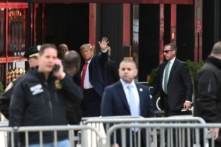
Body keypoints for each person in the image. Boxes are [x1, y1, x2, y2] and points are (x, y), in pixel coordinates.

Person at [9, 44, 83, 147]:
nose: (50, 61)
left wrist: (62, 76)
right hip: (35, 141)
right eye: (47, 57)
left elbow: (78, 96)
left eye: (53, 57)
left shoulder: (60, 80)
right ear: (39, 58)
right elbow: (15, 114)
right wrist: (13, 142)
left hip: (60, 139)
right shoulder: (25, 83)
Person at [101, 59, 154, 147]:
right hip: (120, 139)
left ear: (135, 72)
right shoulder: (110, 91)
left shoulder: (144, 90)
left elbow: (150, 115)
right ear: (118, 71)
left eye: (129, 69)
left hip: (142, 139)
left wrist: (151, 138)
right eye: (123, 69)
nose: (126, 71)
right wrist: (112, 141)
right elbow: (106, 117)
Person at [151, 43, 193, 116]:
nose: (164, 53)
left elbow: (188, 84)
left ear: (173, 52)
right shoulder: (162, 66)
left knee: (174, 125)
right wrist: (149, 96)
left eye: (166, 51)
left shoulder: (181, 66)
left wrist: (188, 100)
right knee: (167, 124)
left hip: (177, 102)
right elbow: (158, 84)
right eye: (163, 51)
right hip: (164, 102)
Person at [0, 45, 41, 119]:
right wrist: (19, 119)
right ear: (29, 62)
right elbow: (3, 102)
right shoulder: (22, 82)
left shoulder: (53, 80)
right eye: (37, 59)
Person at [194, 41, 221, 147]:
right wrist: (213, 124)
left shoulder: (213, 70)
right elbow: (206, 99)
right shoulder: (209, 71)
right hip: (212, 131)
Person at [80, 37, 109, 117]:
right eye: (83, 52)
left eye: (86, 51)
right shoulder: (82, 65)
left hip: (94, 93)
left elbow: (103, 59)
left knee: (90, 116)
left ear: (92, 51)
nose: (85, 53)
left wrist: (103, 50)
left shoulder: (96, 60)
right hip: (84, 94)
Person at [63, 51, 83, 125]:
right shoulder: (65, 81)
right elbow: (69, 108)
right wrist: (76, 126)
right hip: (66, 126)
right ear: (78, 65)